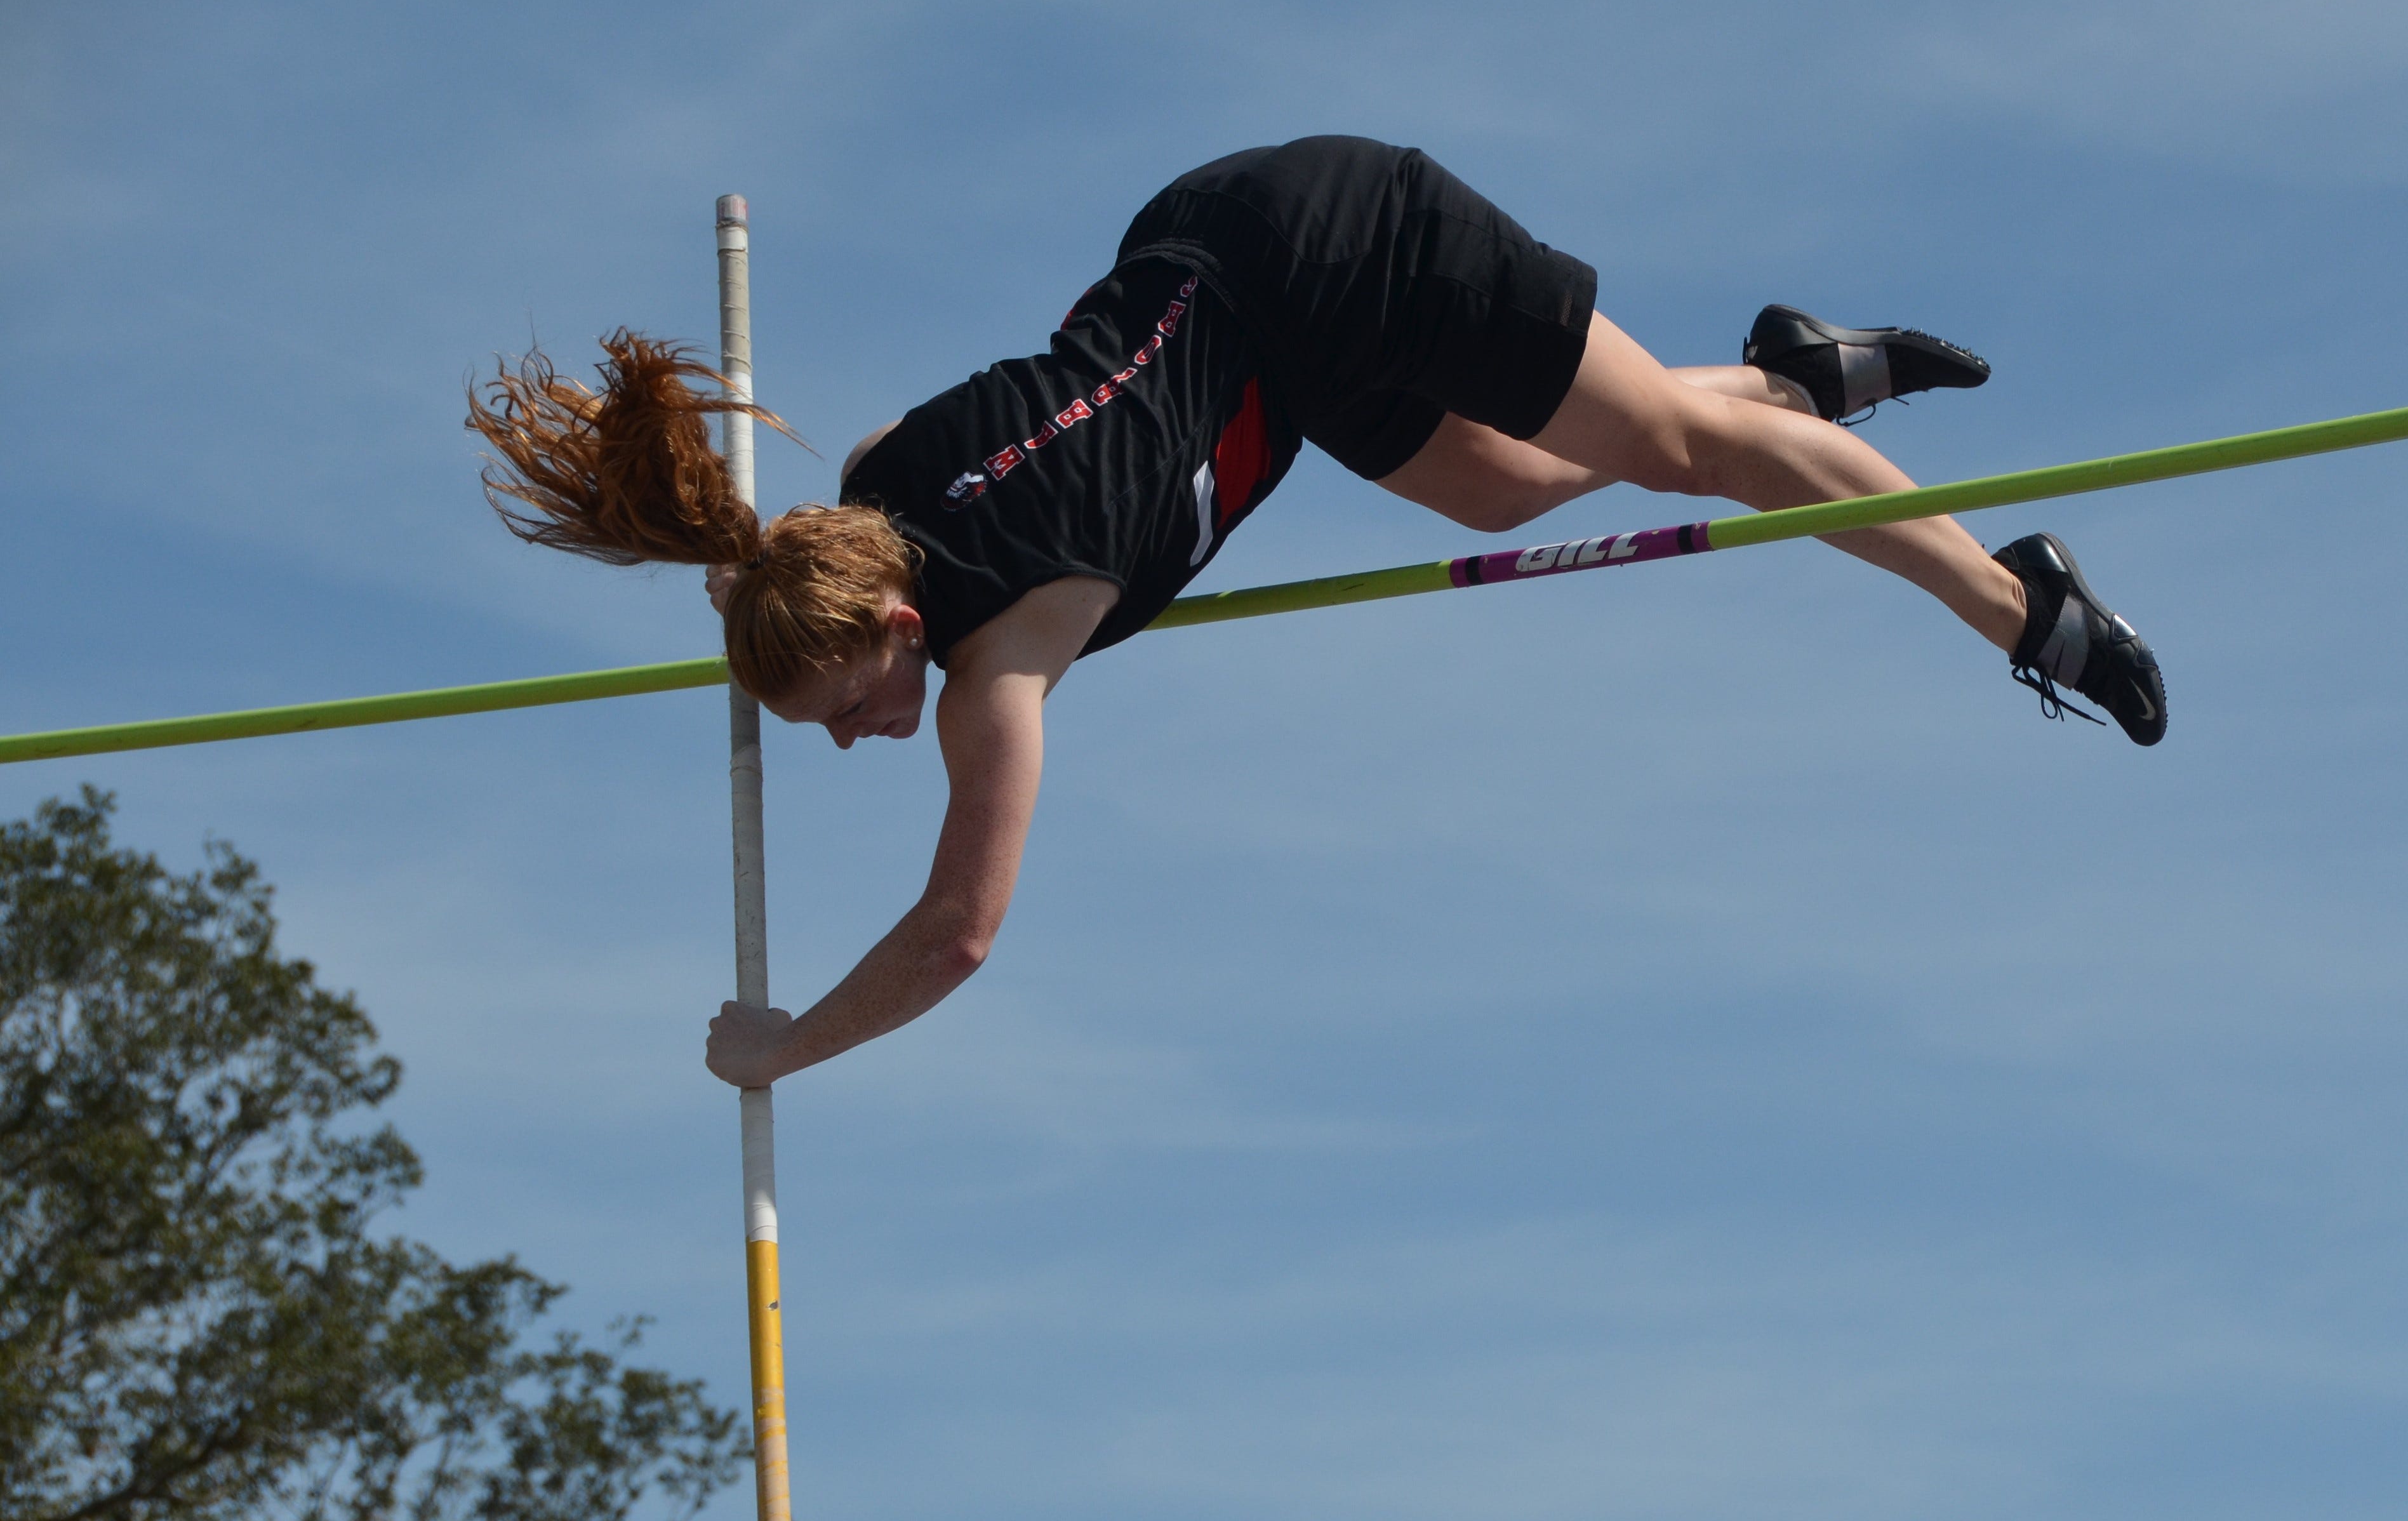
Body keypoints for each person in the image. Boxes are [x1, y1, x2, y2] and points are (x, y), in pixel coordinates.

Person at [468, 136, 2169, 1091]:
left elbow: (954, 936)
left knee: (1675, 452)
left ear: (898, 633)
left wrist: (784, 1047)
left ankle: (2022, 607)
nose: (849, 742)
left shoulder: (999, 670)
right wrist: (743, 582)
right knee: (1510, 488)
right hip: (1233, 286)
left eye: (836, 708)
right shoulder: (865, 479)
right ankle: (1791, 375)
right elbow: (801, 559)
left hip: (1332, 246)